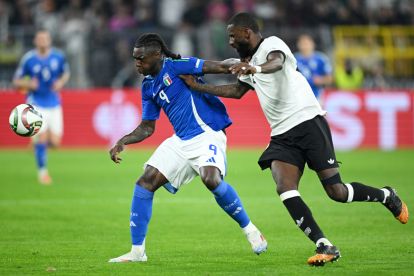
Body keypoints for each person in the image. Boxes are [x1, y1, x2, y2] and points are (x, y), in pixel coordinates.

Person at [180, 12, 409, 266]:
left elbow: (275, 63)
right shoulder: (247, 61)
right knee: (284, 188)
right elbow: (237, 90)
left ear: (247, 32)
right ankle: (324, 245)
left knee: (337, 192)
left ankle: (386, 195)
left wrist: (254, 67)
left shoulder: (272, 45)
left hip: (308, 122)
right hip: (281, 134)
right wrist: (199, 87)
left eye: (233, 36)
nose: (231, 41)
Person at [108, 33, 267, 263]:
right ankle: (137, 252)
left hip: (207, 133)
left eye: (141, 58)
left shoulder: (178, 67)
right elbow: (147, 127)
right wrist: (123, 140)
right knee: (145, 182)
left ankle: (251, 230)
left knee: (211, 179)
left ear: (156, 55)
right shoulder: (148, 86)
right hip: (181, 140)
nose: (137, 63)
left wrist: (241, 66)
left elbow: (220, 67)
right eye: (135, 59)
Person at [13, 29, 70, 185]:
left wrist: (61, 82)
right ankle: (43, 172)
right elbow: (16, 81)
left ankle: (36, 143)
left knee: (56, 143)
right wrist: (28, 83)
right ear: (35, 41)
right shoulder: (29, 59)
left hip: (54, 102)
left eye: (45, 38)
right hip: (36, 103)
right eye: (40, 38)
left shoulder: (58, 56)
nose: (43, 41)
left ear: (49, 40)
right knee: (42, 138)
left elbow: (66, 73)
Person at [294, 34, 332, 99]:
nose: (304, 46)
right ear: (298, 45)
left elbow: (329, 79)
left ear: (313, 44)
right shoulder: (293, 59)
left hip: (317, 96)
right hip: (298, 97)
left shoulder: (321, 58)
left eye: (306, 43)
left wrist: (320, 80)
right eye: (302, 43)